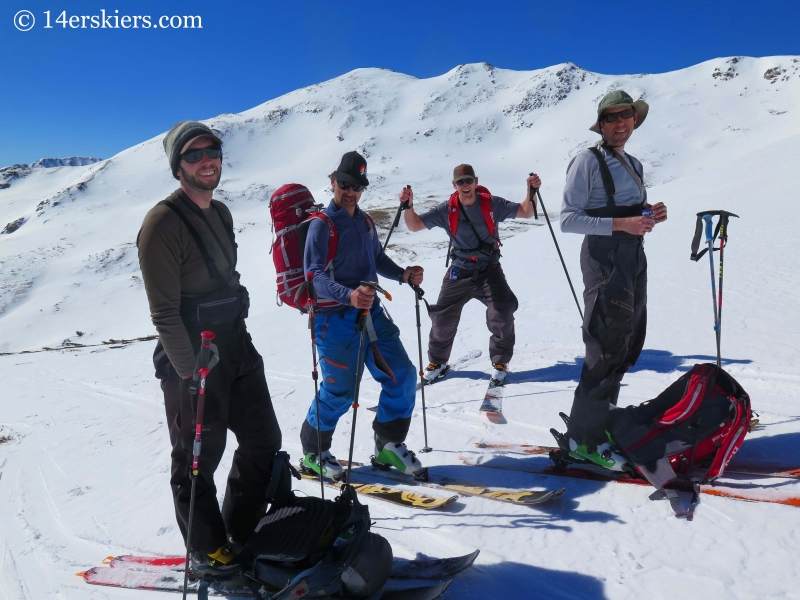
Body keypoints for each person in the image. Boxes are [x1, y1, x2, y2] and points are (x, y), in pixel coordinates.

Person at [137, 121, 281, 572]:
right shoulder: (162, 223)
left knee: (263, 439)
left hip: (235, 344)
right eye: (193, 155)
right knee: (197, 461)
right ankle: (206, 548)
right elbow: (163, 313)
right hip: (193, 357)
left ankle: (241, 526)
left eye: (211, 151)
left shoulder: (220, 213)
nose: (206, 161)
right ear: (177, 167)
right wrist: (189, 373)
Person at [299, 151, 426, 479]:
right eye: (345, 184)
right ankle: (313, 452)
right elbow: (314, 276)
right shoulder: (321, 226)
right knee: (339, 394)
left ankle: (387, 445)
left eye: (357, 185)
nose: (351, 191)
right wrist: (349, 295)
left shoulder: (365, 221)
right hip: (335, 323)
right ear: (333, 183)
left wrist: (403, 275)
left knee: (402, 375)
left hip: (371, 314)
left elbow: (377, 259)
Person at [558, 90, 668, 469]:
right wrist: (625, 223)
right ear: (602, 124)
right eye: (612, 117)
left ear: (635, 119)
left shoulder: (633, 163)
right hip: (605, 260)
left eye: (627, 115)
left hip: (633, 257)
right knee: (604, 347)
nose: (620, 123)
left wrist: (650, 212)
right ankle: (582, 441)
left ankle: (600, 428)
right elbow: (569, 219)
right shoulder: (586, 161)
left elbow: (629, 211)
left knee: (624, 344)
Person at [402, 164, 541, 384]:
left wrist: (530, 191)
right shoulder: (446, 209)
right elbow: (414, 225)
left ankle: (500, 361)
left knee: (502, 311)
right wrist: (408, 206)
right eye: (461, 182)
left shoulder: (492, 203)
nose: (465, 186)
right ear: (454, 185)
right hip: (460, 270)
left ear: (476, 181)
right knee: (442, 317)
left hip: (489, 270)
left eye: (468, 181)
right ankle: (438, 362)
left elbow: (526, 211)